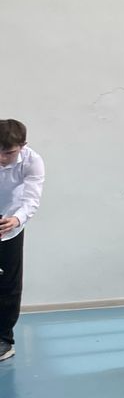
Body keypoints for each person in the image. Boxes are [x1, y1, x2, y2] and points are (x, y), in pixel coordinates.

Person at [0, 118, 45, 363]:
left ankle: (4, 340)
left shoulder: (32, 161)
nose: (2, 158)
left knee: (8, 284)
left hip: (11, 223)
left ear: (22, 146)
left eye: (9, 153)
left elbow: (31, 199)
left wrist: (16, 220)